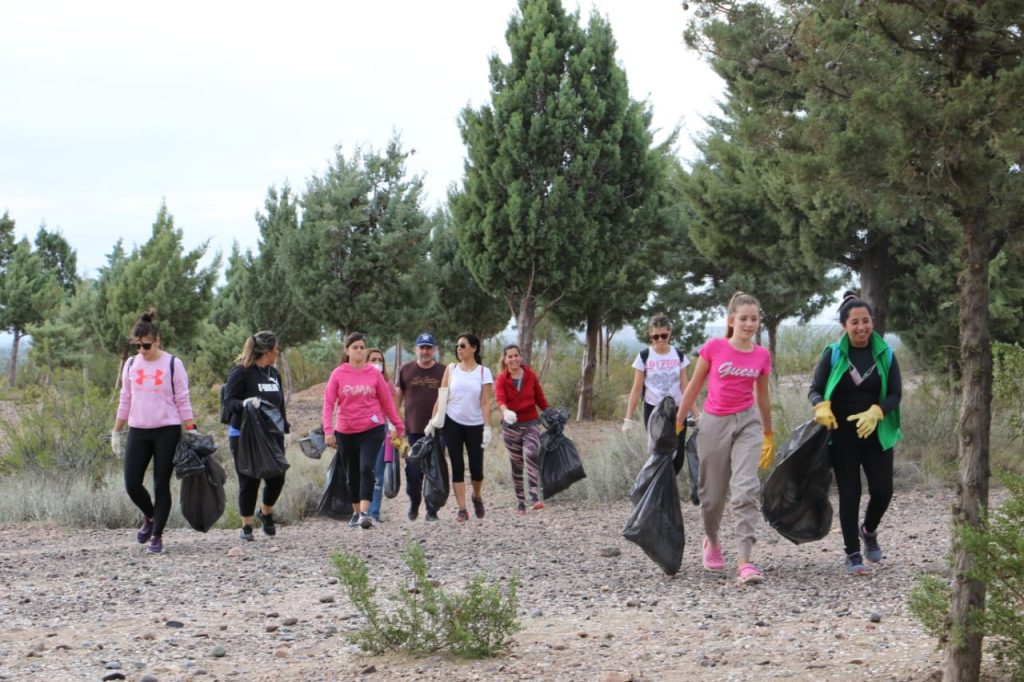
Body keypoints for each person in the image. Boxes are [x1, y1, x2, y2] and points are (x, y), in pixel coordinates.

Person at [676, 292, 775, 584]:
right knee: (713, 496)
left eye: (754, 319)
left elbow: (763, 397)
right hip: (714, 423)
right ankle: (711, 540)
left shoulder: (761, 355)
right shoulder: (714, 348)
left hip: (748, 423)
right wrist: (679, 420)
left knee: (745, 490)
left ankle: (745, 561)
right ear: (731, 320)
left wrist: (768, 432)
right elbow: (693, 386)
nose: (749, 324)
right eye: (743, 318)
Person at [808, 291, 902, 576]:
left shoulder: (885, 353)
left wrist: (877, 411)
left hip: (875, 432)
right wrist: (820, 405)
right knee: (850, 493)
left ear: (872, 322)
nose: (861, 327)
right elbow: (814, 389)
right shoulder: (833, 354)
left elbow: (896, 393)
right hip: (843, 436)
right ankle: (852, 553)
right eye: (855, 322)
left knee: (883, 490)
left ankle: (868, 530)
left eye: (866, 321)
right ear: (844, 326)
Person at [111, 310, 195, 555]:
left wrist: (191, 429)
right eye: (138, 346)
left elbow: (183, 399)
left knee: (161, 485)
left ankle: (157, 535)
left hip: (166, 431)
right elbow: (125, 398)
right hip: (138, 429)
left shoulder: (172, 363)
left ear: (157, 340)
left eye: (146, 345)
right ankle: (149, 516)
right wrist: (116, 431)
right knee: (132, 483)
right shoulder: (131, 364)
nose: (142, 350)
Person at [322, 333, 405, 529]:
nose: (359, 350)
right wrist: (328, 430)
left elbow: (386, 403)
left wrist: (398, 425)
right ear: (347, 351)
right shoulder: (338, 374)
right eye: (355, 347)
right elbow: (328, 404)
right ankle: (356, 511)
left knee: (366, 467)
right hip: (345, 430)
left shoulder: (374, 374)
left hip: (372, 428)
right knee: (352, 474)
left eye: (362, 347)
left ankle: (365, 513)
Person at [223, 331, 290, 541]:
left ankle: (266, 512)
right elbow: (229, 401)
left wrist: (285, 429)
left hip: (271, 433)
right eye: (275, 349)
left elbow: (279, 405)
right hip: (244, 434)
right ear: (268, 351)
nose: (277, 352)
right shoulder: (241, 372)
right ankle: (247, 526)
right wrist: (245, 403)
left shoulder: (273, 374)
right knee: (249, 478)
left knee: (277, 476)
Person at [426, 333, 494, 523]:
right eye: (457, 346)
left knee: (477, 469)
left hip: (475, 424)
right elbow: (442, 396)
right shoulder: (451, 369)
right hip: (452, 423)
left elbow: (486, 402)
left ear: (474, 348)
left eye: (463, 346)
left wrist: (487, 428)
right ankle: (462, 509)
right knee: (457, 466)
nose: (459, 349)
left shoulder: (484, 372)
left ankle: (477, 496)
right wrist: (432, 422)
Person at [624, 313, 692, 472]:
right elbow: (636, 388)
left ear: (670, 333)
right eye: (656, 336)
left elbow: (686, 387)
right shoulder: (644, 356)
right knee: (660, 455)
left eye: (664, 335)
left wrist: (695, 413)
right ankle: (658, 494)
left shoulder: (679, 355)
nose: (660, 339)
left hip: (677, 411)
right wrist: (628, 418)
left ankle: (667, 491)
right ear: (650, 335)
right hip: (654, 412)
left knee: (678, 457)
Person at [396, 332, 447, 521]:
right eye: (421, 347)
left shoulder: (443, 371)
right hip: (413, 431)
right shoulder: (406, 370)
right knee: (412, 472)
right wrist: (397, 424)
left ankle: (431, 511)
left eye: (429, 347)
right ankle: (414, 500)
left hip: (437, 430)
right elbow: (397, 400)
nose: (425, 351)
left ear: (434, 349)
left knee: (434, 471)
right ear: (415, 349)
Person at [494, 344, 549, 514]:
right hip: (511, 426)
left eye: (516, 355)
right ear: (505, 359)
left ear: (521, 357)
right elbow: (500, 400)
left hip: (531, 423)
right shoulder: (502, 379)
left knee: (531, 453)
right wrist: (506, 412)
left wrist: (550, 413)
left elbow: (540, 397)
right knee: (517, 464)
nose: (513, 359)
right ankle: (520, 501)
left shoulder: (530, 375)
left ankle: (534, 496)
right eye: (509, 356)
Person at [366, 348, 399, 523]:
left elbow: (393, 410)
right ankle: (360, 511)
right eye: (373, 359)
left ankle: (374, 512)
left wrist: (395, 432)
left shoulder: (388, 386)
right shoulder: (361, 383)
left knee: (378, 475)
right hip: (361, 432)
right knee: (362, 472)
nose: (377, 362)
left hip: (383, 432)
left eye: (379, 360)